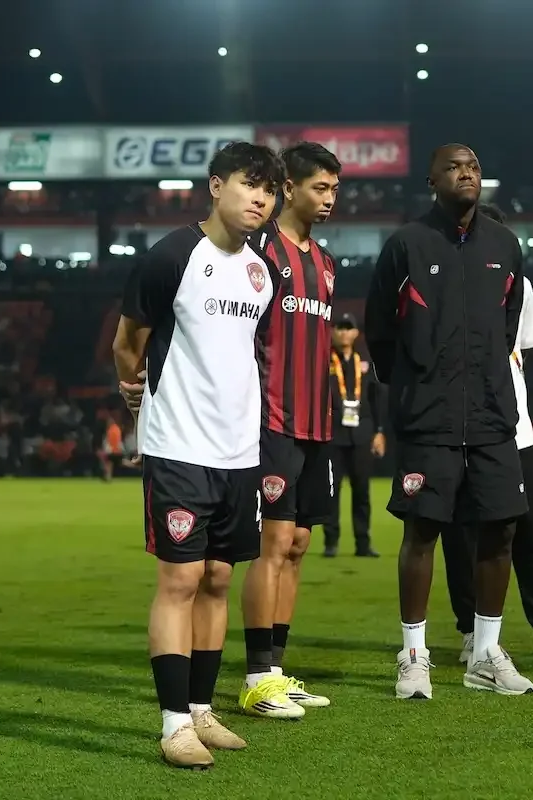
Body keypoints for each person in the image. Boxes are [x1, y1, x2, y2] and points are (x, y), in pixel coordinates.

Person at [112, 141, 284, 768]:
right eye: (248, 184)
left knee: (217, 578)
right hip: (178, 444)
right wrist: (137, 396)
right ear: (216, 186)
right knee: (181, 577)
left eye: (269, 191)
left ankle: (204, 711)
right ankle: (173, 723)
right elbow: (128, 341)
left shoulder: (262, 272)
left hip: (239, 448)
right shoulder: (173, 256)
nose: (260, 199)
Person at [364, 143, 533, 700]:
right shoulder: (407, 244)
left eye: (475, 167)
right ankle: (413, 655)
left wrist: (484, 374)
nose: (468, 174)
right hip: (429, 415)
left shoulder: (506, 245)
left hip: (490, 413)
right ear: (432, 180)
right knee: (422, 531)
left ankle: (485, 653)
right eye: (455, 167)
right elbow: (379, 330)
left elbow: (508, 327)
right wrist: (416, 382)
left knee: (502, 527)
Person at [440, 203, 533, 666]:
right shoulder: (445, 280)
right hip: (459, 426)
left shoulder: (519, 286)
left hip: (514, 429)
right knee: (462, 533)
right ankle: (472, 631)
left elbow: (519, 351)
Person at [238, 142, 341, 719]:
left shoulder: (324, 262)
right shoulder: (260, 252)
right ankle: (256, 677)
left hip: (316, 423)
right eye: (319, 188)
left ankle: (276, 669)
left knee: (299, 545)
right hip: (271, 420)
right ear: (288, 189)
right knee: (273, 546)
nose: (329, 200)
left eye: (334, 189)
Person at [323, 312, 387, 558]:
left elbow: (376, 400)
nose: (343, 332)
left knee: (362, 492)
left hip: (362, 434)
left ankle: (363, 543)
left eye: (348, 328)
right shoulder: (323, 362)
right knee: (333, 491)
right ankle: (331, 542)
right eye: (339, 327)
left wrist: (379, 432)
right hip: (334, 435)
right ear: (332, 332)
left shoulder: (365, 363)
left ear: (356, 333)